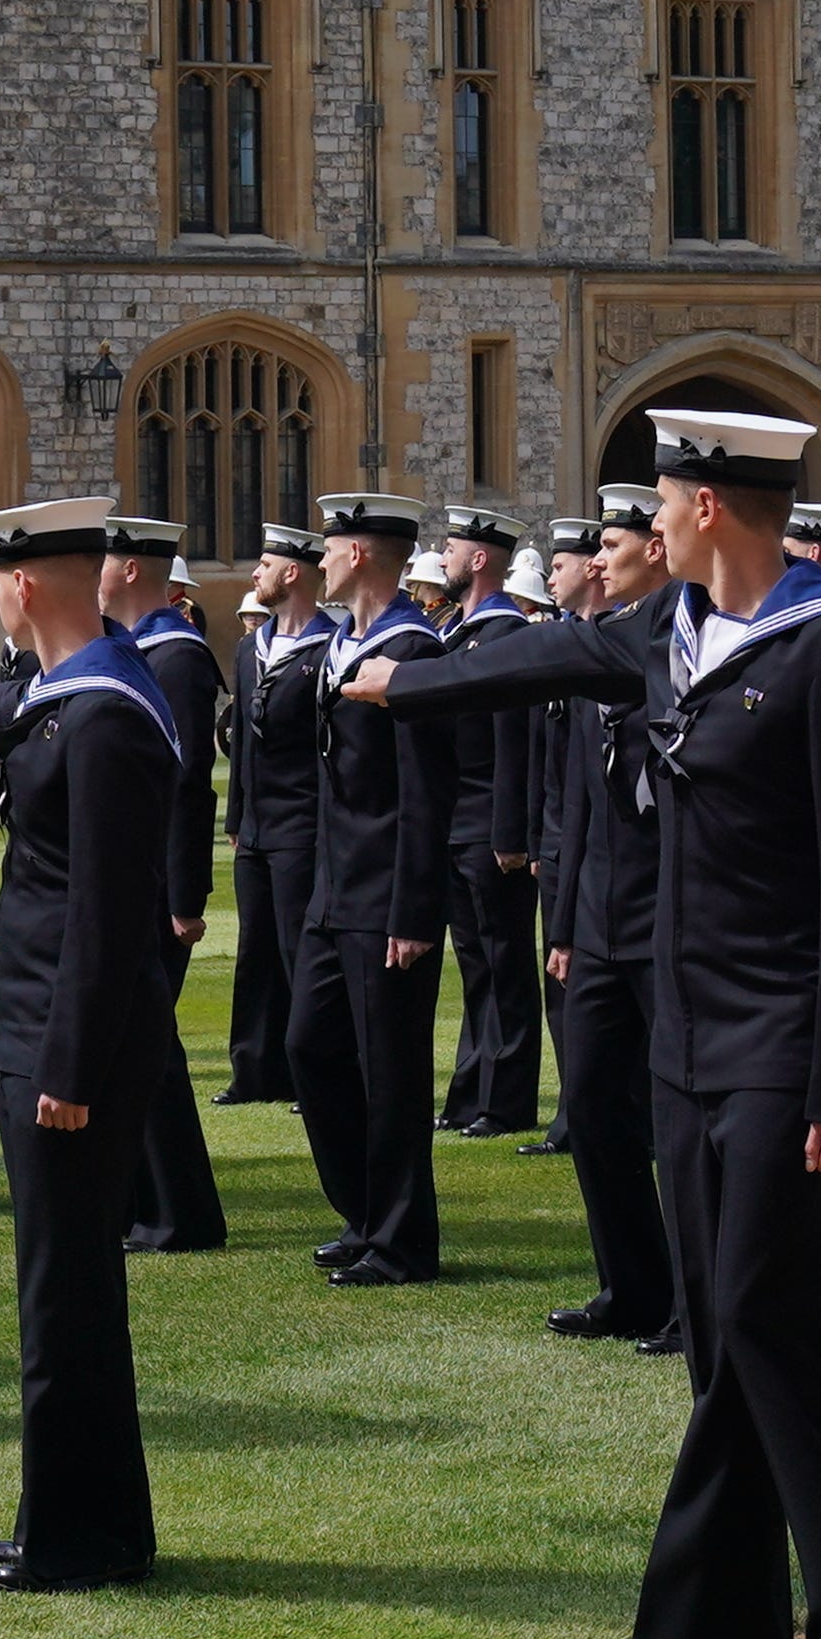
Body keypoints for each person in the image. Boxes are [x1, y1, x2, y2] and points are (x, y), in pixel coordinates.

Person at [414, 410, 821, 1639]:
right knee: (728, 1344)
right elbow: (548, 660)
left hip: (790, 1037)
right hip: (688, 1033)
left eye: (659, 500)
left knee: (764, 1323)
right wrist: (399, 685)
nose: (646, 523)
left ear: (708, 508)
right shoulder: (667, 637)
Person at [0, 501, 183, 1590]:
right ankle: (73, 1515)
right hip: (35, 1029)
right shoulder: (64, 700)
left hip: (72, 1050)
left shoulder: (106, 715)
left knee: (62, 1299)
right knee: (61, 1292)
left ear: (21, 588)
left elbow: (110, 918)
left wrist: (66, 1068)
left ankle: (84, 1536)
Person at [365, 491, 682, 1352]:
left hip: (676, 920)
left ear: (659, 548)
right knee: (592, 1109)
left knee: (683, 1129)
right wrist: (570, 926)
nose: (601, 557)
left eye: (612, 543)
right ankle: (633, 1287)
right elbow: (579, 805)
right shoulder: (610, 637)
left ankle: (696, 1305)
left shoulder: (680, 629)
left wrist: (410, 682)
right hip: (605, 918)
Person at [298, 493, 458, 1286]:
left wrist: (414, 910)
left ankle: (401, 1241)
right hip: (335, 893)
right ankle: (365, 1213)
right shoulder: (343, 645)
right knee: (308, 1048)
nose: (319, 559)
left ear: (358, 553)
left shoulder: (413, 651)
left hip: (387, 897)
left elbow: (426, 793)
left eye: (329, 546)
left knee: (391, 1075)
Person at [109, 526, 233, 1255]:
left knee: (149, 1043)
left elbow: (189, 784)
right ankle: (148, 1201)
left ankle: (180, 1212)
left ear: (129, 570)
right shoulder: (132, 648)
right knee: (134, 1042)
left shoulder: (178, 656)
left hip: (158, 882)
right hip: (131, 872)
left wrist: (187, 896)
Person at [427, 505, 550, 1142]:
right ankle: (471, 1089)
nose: (440, 559)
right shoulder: (462, 633)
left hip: (486, 829)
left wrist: (509, 834)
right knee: (476, 967)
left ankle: (506, 1099)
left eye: (449, 549)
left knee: (504, 965)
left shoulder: (505, 637)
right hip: (457, 824)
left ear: (479, 559)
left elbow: (513, 746)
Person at [221, 525, 329, 1109]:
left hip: (303, 826)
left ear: (292, 572)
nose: (255, 574)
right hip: (258, 828)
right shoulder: (248, 648)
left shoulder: (329, 648)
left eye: (265, 564)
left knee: (298, 953)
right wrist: (237, 817)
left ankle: (305, 1068)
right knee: (254, 952)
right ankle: (253, 1070)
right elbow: (240, 745)